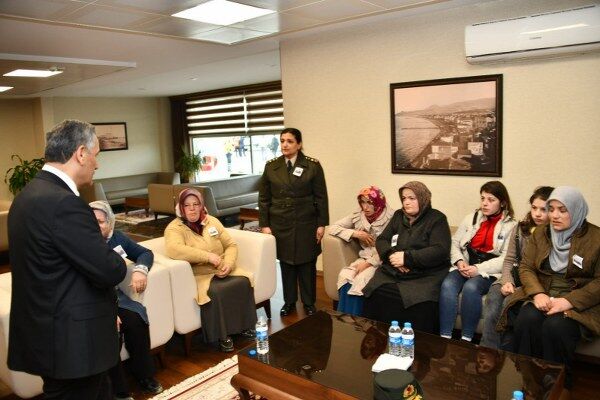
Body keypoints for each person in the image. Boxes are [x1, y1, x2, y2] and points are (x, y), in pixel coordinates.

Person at [7, 120, 126, 399]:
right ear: (81, 153)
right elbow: (110, 269)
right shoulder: (64, 204)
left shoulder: (26, 197)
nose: (97, 164)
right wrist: (115, 258)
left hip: (47, 335)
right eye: (96, 155)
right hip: (73, 344)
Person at [499, 186, 600, 389]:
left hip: (579, 299)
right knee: (527, 319)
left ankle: (557, 385)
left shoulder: (596, 238)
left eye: (562, 210)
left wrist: (568, 301)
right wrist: (537, 293)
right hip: (543, 291)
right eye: (551, 209)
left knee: (555, 326)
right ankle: (526, 380)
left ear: (577, 210)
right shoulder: (541, 233)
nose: (554, 215)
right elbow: (526, 267)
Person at [164, 188, 256, 352]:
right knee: (215, 291)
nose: (192, 209)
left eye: (196, 204)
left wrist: (228, 263)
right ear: (181, 208)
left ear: (201, 205)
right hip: (200, 274)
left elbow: (231, 245)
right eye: (187, 205)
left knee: (243, 281)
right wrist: (207, 256)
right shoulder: (174, 228)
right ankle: (222, 336)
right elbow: (174, 249)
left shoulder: (211, 221)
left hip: (222, 268)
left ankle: (244, 326)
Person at [89, 201, 163, 398]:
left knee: (136, 320)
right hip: (93, 301)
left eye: (101, 222)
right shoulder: (82, 245)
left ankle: (144, 375)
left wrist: (140, 270)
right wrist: (108, 312)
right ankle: (119, 389)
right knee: (108, 329)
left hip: (116, 297)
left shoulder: (116, 239)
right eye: (91, 221)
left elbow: (145, 253)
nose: (96, 226)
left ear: (110, 223)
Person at [362, 181, 451, 334]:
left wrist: (407, 258)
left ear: (423, 199)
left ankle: (416, 342)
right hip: (393, 270)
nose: (406, 202)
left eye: (412, 198)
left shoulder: (437, 218)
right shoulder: (399, 215)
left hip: (424, 275)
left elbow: (440, 250)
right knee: (376, 291)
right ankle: (379, 337)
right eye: (404, 198)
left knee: (418, 301)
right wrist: (391, 255)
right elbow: (382, 240)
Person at [259, 127, 329, 316]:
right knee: (286, 263)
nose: (285, 145)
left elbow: (321, 197)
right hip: (280, 223)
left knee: (307, 263)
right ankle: (289, 301)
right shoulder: (271, 166)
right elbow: (264, 198)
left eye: (290, 141)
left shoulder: (312, 166)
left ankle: (308, 302)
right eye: (282, 141)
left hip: (306, 222)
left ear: (299, 144)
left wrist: (321, 224)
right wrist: (265, 225)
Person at [439, 180, 517, 342]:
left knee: (471, 287)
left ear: (502, 203)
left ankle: (466, 339)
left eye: (491, 200)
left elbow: (506, 258)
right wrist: (459, 261)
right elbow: (454, 243)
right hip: (466, 265)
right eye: (482, 198)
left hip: (489, 271)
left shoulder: (511, 226)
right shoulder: (471, 218)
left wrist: (478, 269)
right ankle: (444, 337)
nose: (485, 203)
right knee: (447, 284)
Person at [480, 186, 554, 349]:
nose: (537, 214)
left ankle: (507, 351)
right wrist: (507, 281)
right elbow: (509, 260)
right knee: (494, 296)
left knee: (509, 302)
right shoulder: (521, 229)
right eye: (534, 208)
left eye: (543, 209)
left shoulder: (556, 233)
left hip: (536, 282)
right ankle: (488, 350)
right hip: (515, 275)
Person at [329, 186, 394, 316]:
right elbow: (333, 228)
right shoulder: (358, 215)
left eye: (369, 202)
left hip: (382, 260)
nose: (365, 207)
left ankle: (356, 322)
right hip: (364, 257)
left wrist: (368, 263)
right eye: (362, 202)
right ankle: (342, 320)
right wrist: (356, 233)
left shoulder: (392, 217)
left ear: (378, 202)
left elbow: (391, 247)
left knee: (360, 280)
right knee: (345, 275)